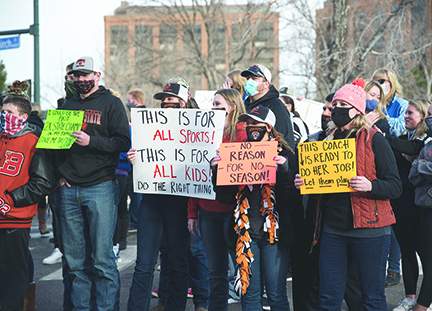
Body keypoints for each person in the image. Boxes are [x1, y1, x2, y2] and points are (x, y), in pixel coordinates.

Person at [295, 83, 402, 310]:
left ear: (357, 110)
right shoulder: (327, 141)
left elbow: (395, 186)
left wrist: (370, 186)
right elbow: (323, 185)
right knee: (329, 299)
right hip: (333, 232)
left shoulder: (375, 140)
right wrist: (306, 183)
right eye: (335, 105)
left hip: (370, 232)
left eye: (343, 105)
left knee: (372, 298)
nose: (336, 110)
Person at [55, 56, 131, 311]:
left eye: (85, 76)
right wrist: (60, 176)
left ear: (97, 76)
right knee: (74, 262)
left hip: (100, 186)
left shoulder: (112, 103)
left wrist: (92, 141)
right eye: (76, 76)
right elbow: (55, 147)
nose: (81, 80)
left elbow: (123, 142)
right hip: (69, 189)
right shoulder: (67, 105)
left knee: (103, 260)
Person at [211, 105, 295, 310]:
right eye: (247, 123)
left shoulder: (285, 154)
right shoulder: (237, 153)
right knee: (250, 296)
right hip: (246, 237)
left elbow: (293, 198)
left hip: (274, 237)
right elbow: (224, 196)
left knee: (276, 295)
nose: (250, 127)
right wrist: (216, 171)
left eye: (254, 123)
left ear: (268, 127)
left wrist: (283, 171)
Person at [127, 82, 191, 311]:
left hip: (179, 201)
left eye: (171, 100)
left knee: (177, 261)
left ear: (183, 102)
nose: (166, 103)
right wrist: (135, 158)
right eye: (163, 100)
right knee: (144, 263)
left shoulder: (195, 128)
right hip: (152, 200)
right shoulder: (149, 126)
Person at [187, 88, 247, 311]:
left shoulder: (244, 134)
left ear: (232, 106)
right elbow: (195, 176)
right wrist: (192, 212)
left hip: (234, 212)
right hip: (207, 211)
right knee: (216, 272)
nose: (214, 108)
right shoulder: (204, 133)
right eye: (212, 104)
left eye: (218, 104)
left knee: (242, 271)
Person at [0, 80, 55, 311]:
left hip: (14, 217)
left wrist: (10, 199)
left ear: (23, 117)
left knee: (13, 272)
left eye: (9, 112)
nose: (4, 116)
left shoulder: (34, 142)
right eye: (2, 112)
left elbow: (42, 183)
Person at [384, 99, 431, 311]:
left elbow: (412, 148)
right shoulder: (403, 139)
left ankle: (425, 299)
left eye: (410, 113)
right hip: (398, 201)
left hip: (417, 204)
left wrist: (385, 136)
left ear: (422, 117)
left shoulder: (424, 141)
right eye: (405, 113)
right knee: (405, 249)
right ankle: (410, 297)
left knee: (424, 251)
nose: (405, 116)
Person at [408, 100, 432, 311]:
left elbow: (417, 165)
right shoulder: (428, 145)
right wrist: (421, 166)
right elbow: (413, 175)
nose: (428, 119)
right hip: (424, 206)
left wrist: (419, 164)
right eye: (428, 115)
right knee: (425, 254)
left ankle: (421, 306)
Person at [241, 64, 295, 150]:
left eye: (254, 78)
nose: (249, 82)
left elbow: (286, 140)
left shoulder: (276, 106)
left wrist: (284, 160)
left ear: (266, 84)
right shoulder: (243, 105)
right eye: (248, 78)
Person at [371, 68, 408, 137]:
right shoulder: (370, 102)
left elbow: (402, 129)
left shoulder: (403, 104)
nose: (377, 85)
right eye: (374, 82)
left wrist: (381, 118)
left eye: (381, 81)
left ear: (391, 84)